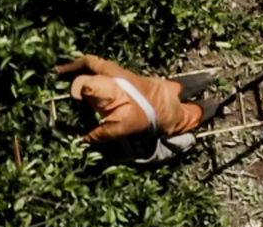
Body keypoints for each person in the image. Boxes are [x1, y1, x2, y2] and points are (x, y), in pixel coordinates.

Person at [53, 54, 227, 162]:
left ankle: (213, 106)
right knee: (174, 88)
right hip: (160, 90)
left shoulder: (121, 121)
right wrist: (60, 69)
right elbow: (88, 60)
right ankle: (207, 78)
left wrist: (65, 131)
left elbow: (92, 137)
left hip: (168, 115)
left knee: (191, 116)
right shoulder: (114, 74)